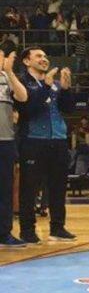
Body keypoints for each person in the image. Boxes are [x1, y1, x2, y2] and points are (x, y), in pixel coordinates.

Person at [16, 47, 76, 243]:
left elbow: (68, 109)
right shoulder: (22, 82)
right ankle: (27, 230)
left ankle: (58, 227)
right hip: (33, 140)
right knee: (29, 188)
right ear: (26, 61)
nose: (44, 59)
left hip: (58, 140)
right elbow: (28, 110)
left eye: (45, 55)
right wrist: (46, 86)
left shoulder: (55, 84)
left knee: (58, 187)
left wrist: (66, 89)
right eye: (39, 56)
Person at [0, 51, 27, 247]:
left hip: (6, 140)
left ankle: (4, 233)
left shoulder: (6, 78)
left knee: (5, 189)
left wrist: (9, 72)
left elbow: (23, 96)